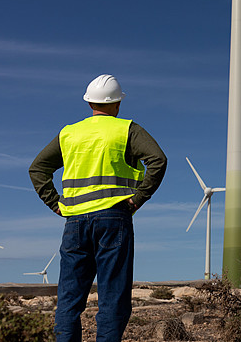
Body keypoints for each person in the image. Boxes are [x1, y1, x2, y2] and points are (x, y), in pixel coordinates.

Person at [29, 74, 167, 342]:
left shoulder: (68, 133)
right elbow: (158, 160)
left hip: (74, 222)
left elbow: (38, 168)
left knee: (69, 298)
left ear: (89, 102)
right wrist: (139, 198)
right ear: (117, 104)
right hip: (114, 218)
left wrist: (54, 202)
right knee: (113, 296)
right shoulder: (127, 129)